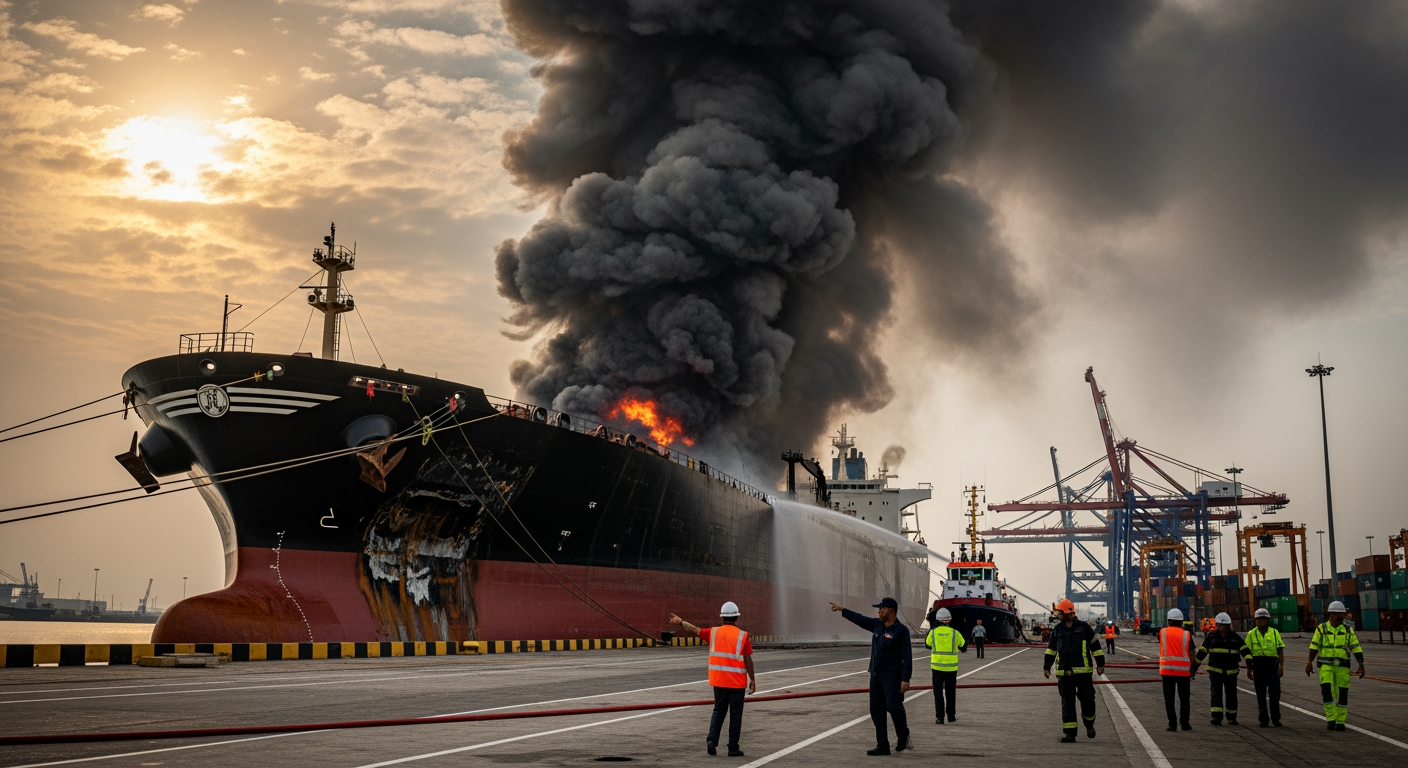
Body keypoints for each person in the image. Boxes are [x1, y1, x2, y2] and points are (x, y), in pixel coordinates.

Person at [670, 602, 756, 756]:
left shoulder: (713, 633)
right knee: (735, 715)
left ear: (722, 617)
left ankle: (711, 741)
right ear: (737, 617)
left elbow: (695, 630)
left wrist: (681, 622)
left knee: (718, 710)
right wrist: (752, 679)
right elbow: (748, 659)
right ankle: (733, 748)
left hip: (719, 681)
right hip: (736, 683)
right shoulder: (743, 635)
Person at [831, 597, 912, 755]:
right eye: (878, 608)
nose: (879, 611)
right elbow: (860, 619)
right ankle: (882, 745)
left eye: (882, 608)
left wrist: (905, 678)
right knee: (876, 709)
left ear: (891, 610)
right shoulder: (877, 625)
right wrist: (843, 610)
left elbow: (907, 656)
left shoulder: (901, 631)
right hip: (875, 674)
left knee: (893, 707)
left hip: (892, 677)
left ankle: (903, 735)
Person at [1043, 599, 1105, 743]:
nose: (1057, 615)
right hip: (1064, 674)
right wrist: (1047, 667)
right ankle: (1070, 734)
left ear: (1065, 612)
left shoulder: (1084, 628)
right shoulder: (1057, 630)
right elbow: (1051, 650)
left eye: (1059, 612)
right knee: (1067, 704)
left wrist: (1100, 665)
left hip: (1083, 674)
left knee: (1088, 700)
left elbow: (1096, 647)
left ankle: (1089, 723)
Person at [1305, 600, 1366, 731]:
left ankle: (1340, 721)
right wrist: (1310, 662)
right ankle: (1331, 719)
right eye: (1339, 614)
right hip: (1325, 666)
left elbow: (1356, 647)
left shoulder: (1348, 630)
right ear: (1331, 614)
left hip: (1342, 667)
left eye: (1343, 615)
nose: (1342, 617)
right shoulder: (1321, 629)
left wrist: (1361, 664)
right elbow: (1314, 646)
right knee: (1327, 691)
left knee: (1342, 694)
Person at [1195, 612, 1248, 726]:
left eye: (1226, 625)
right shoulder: (1211, 637)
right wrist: (1193, 669)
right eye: (1221, 625)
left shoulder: (1234, 637)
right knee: (1216, 694)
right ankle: (1216, 717)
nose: (1223, 627)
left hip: (1231, 672)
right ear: (1217, 625)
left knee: (1231, 695)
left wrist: (1251, 665)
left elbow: (1245, 651)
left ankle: (1231, 717)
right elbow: (1201, 654)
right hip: (1215, 672)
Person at [1158, 608, 1199, 732]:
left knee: (1169, 698)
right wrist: (1193, 668)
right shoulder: (1186, 635)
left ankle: (1172, 724)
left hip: (1167, 670)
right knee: (1184, 698)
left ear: (1169, 620)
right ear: (1181, 621)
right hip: (1183, 671)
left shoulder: (1162, 632)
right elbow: (1192, 653)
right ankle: (1185, 724)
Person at [1245, 607, 1285, 727]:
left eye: (1263, 619)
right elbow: (1247, 653)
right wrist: (1249, 669)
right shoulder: (1251, 634)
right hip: (1258, 665)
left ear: (1268, 620)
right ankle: (1263, 718)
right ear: (1255, 621)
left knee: (1275, 693)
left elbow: (1280, 650)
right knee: (1260, 694)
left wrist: (1281, 667)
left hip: (1272, 665)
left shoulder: (1274, 632)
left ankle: (1275, 718)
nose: (1261, 621)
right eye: (1258, 619)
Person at [925, 607, 967, 724]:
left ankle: (940, 717)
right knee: (950, 693)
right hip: (951, 668)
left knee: (938, 693)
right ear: (950, 620)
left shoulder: (933, 633)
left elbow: (928, 645)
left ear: (937, 620)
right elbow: (963, 646)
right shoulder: (955, 633)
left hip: (937, 667)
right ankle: (951, 716)